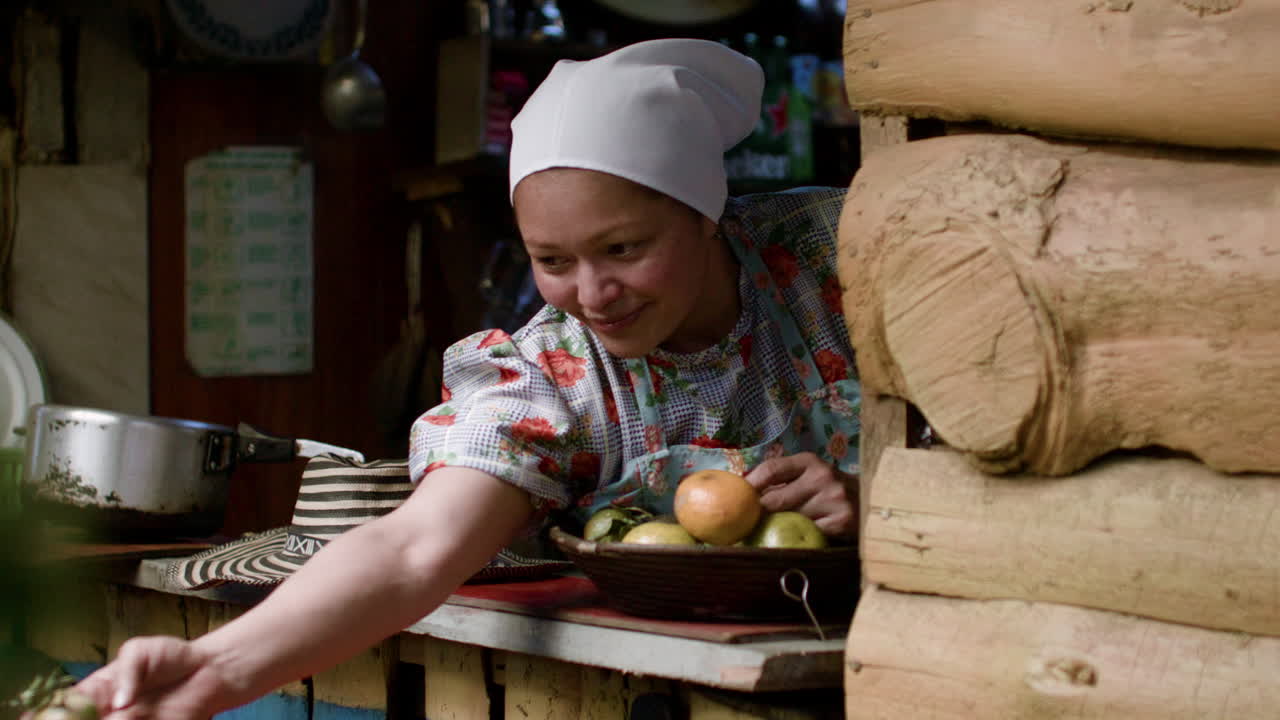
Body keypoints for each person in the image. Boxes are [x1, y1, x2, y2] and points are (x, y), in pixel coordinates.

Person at [74, 38, 859, 719]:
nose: (591, 295)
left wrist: (880, 506)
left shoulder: (841, 254)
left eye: (623, 249)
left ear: (705, 211)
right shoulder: (549, 374)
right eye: (552, 261)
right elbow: (413, 548)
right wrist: (215, 670)